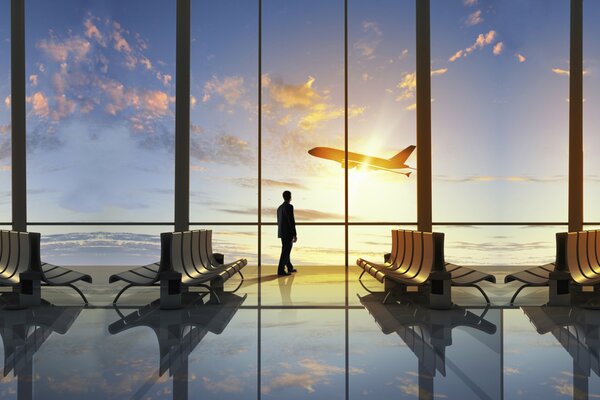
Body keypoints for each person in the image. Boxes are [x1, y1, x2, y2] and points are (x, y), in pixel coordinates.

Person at [277, 190, 297, 276]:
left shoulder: (279, 208)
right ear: (290, 197)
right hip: (288, 232)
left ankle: (289, 267)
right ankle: (280, 270)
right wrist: (294, 234)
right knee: (286, 251)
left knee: (286, 250)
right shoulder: (289, 207)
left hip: (282, 232)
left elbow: (279, 221)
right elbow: (291, 221)